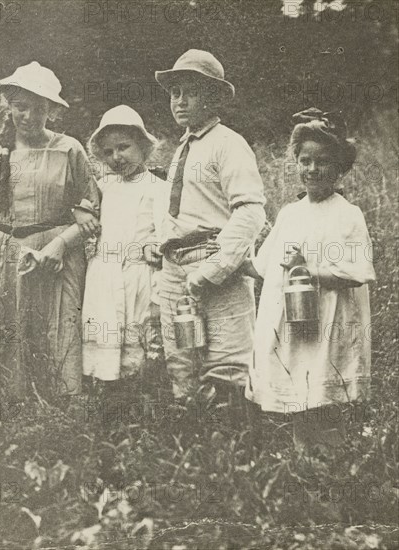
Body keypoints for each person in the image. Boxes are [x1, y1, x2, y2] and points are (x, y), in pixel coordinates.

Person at [0, 61, 100, 401]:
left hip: (54, 262)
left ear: (52, 112)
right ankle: (1, 407)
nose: (29, 117)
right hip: (3, 259)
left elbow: (92, 210)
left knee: (54, 333)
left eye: (39, 109)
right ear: (9, 107)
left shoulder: (69, 150)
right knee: (1, 333)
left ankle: (57, 412)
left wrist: (61, 245)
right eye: (21, 108)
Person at [242, 108, 376, 452]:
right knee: (300, 399)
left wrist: (310, 269)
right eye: (305, 161)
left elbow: (358, 272)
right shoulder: (290, 213)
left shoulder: (348, 214)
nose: (312, 170)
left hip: (330, 322)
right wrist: (227, 258)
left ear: (340, 167)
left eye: (323, 162)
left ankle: (336, 466)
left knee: (324, 398)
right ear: (296, 163)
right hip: (294, 323)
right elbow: (264, 266)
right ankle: (305, 465)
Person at [154, 49, 266, 402]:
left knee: (228, 365)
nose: (181, 101)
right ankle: (192, 450)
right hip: (175, 269)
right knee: (182, 363)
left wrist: (215, 268)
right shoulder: (181, 149)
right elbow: (178, 211)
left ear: (214, 97)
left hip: (216, 264)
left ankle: (237, 449)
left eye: (191, 92)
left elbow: (250, 211)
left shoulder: (229, 145)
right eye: (175, 93)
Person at [82, 105, 168, 387]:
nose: (117, 157)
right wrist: (80, 213)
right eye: (108, 152)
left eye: (123, 147)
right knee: (106, 336)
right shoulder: (104, 186)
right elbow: (83, 210)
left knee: (137, 337)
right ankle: (106, 391)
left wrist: (154, 244)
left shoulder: (157, 187)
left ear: (142, 146)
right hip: (104, 275)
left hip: (137, 274)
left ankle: (139, 395)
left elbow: (165, 229)